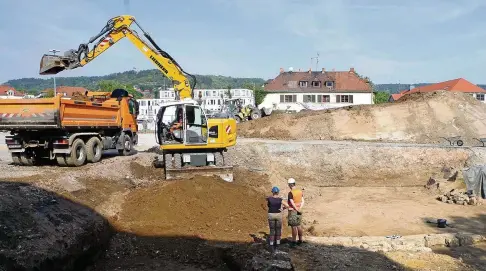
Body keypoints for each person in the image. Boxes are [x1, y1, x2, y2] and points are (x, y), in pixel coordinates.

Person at [267, 186, 288, 252]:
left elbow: (268, 205)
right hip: (278, 215)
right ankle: (277, 244)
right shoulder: (280, 200)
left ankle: (271, 245)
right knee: (278, 229)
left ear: (272, 192)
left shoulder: (269, 199)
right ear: (278, 192)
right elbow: (287, 206)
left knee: (272, 230)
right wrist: (282, 209)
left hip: (271, 215)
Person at [287, 178, 304, 247]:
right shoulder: (300, 191)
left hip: (293, 211)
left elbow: (292, 202)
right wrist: (300, 208)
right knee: (299, 225)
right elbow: (303, 201)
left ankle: (294, 241)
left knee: (293, 227)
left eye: (288, 185)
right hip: (299, 210)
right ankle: (300, 240)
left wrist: (296, 208)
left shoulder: (290, 193)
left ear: (290, 185)